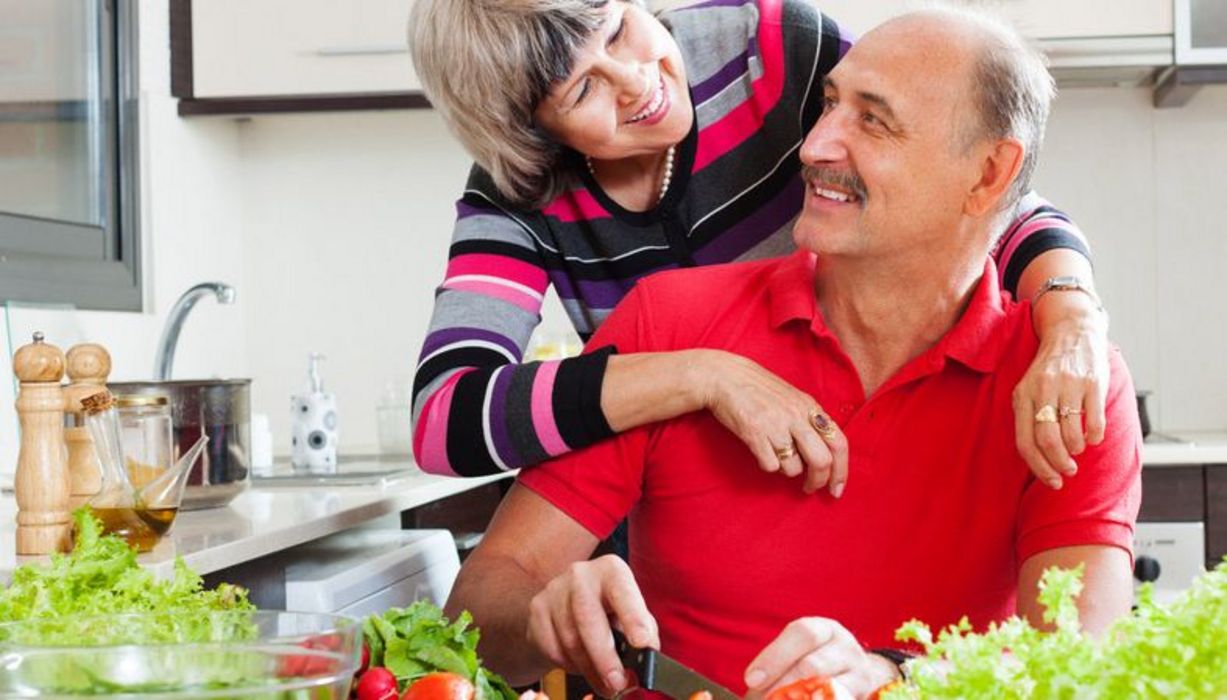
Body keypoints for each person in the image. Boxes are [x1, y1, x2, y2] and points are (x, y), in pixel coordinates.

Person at [444, 8, 1142, 700]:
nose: (812, 146)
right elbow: (474, 613)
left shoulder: (1065, 383)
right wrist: (548, 620)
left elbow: (1074, 670)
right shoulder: (667, 323)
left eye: (872, 120)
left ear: (987, 174)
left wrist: (896, 676)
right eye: (829, 104)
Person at [408, 0, 1109, 493]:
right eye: (582, 88)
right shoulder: (518, 190)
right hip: (671, 501)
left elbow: (983, 197)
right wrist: (705, 376)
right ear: (531, 132)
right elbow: (444, 418)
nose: (637, 82)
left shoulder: (767, 50)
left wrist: (1072, 318)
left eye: (620, 30)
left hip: (857, 451)